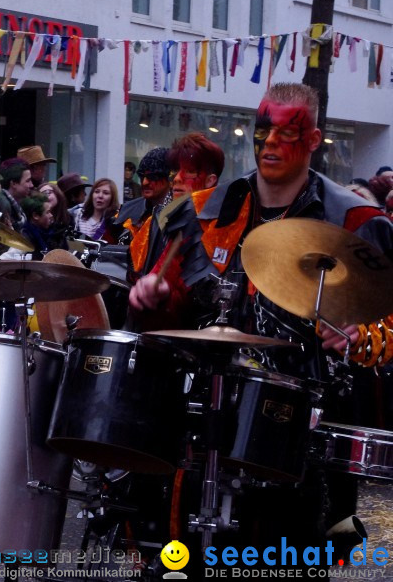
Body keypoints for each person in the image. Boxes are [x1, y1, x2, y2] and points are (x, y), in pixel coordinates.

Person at [130, 83, 393, 567]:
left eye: (287, 132)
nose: (270, 143)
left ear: (313, 140)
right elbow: (174, 318)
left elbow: (387, 326)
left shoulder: (355, 220)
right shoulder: (201, 213)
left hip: (304, 440)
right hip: (203, 422)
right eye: (263, 131)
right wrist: (153, 300)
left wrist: (362, 336)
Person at [126, 133, 224, 331]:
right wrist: (155, 291)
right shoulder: (171, 219)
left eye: (189, 172)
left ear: (210, 181)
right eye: (176, 171)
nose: (177, 178)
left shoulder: (225, 229)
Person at [110, 147, 170, 241]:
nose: (145, 182)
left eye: (152, 177)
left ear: (169, 179)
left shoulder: (182, 213)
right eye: (142, 176)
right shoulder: (126, 211)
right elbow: (102, 245)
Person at [0, 157, 33, 228]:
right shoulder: (1, 208)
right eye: (28, 181)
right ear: (13, 183)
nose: (32, 185)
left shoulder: (16, 208)